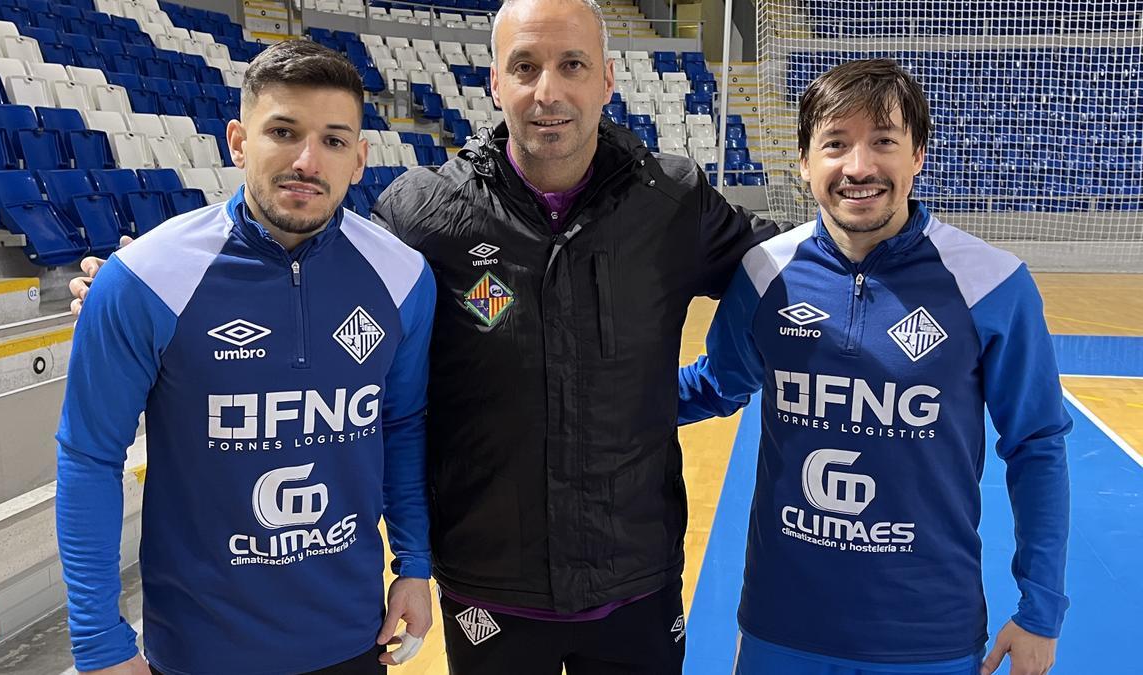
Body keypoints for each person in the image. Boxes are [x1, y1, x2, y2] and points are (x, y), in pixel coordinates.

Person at [71, 1, 786, 671]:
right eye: (527, 67)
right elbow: (311, 265)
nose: (548, 91)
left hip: (638, 571)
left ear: (606, 79)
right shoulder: (422, 212)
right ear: (495, 81)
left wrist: (702, 388)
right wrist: (137, 281)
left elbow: (779, 275)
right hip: (487, 580)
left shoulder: (673, 199)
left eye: (571, 65)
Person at [678, 58, 1071, 675]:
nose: (859, 167)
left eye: (883, 141)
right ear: (805, 162)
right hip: (783, 626)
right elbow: (714, 385)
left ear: (917, 155)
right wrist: (572, 394)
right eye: (835, 143)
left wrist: (1040, 611)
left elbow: (1037, 444)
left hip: (927, 632)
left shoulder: (992, 284)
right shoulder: (764, 274)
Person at [56, 40, 434, 675]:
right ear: (237, 140)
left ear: (361, 159)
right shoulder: (145, 278)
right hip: (198, 649)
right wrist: (99, 640)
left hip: (350, 637)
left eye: (335, 141)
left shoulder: (402, 279)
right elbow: (90, 457)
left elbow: (402, 428)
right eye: (282, 132)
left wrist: (415, 567)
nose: (308, 161)